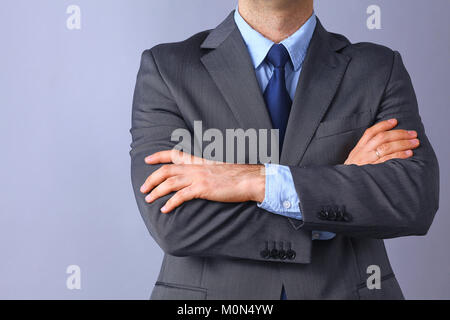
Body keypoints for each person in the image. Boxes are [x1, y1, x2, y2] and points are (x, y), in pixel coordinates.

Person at [130, 0, 439, 299]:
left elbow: (411, 200)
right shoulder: (167, 69)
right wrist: (334, 193)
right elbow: (174, 223)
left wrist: (253, 181)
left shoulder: (377, 68)